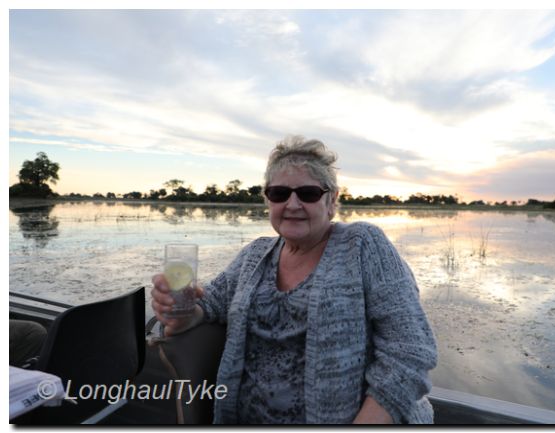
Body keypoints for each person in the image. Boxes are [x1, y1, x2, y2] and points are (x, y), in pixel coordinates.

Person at [151, 136, 437, 424]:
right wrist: (182, 312)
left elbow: (410, 353)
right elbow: (211, 303)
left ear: (331, 201)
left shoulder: (363, 245)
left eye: (308, 193)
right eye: (279, 193)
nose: (293, 204)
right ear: (268, 200)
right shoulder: (255, 254)